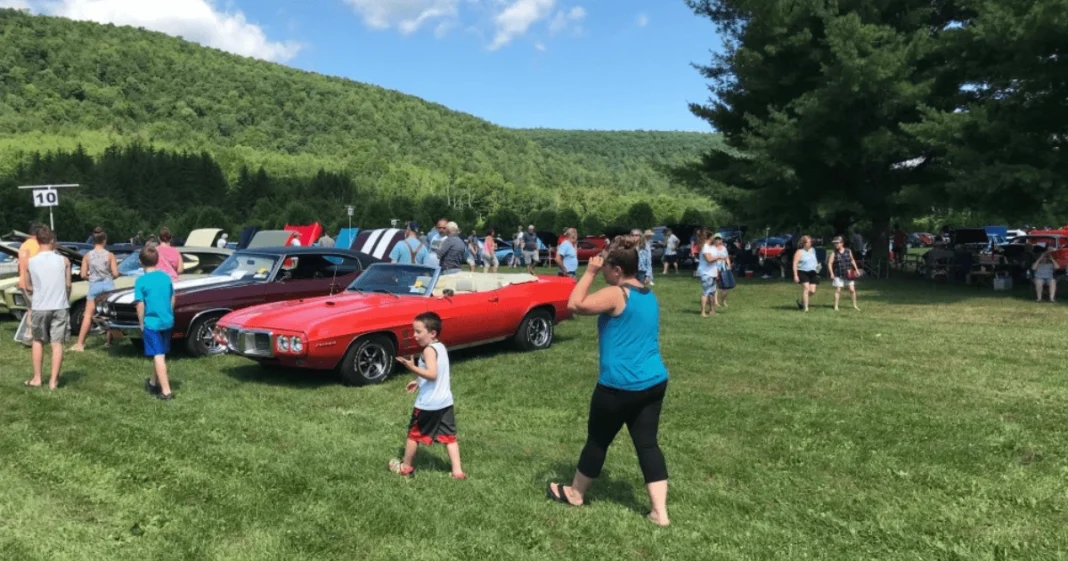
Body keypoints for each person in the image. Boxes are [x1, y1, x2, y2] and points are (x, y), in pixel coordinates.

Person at [547, 236, 670, 527]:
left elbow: (574, 304)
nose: (601, 269)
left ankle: (576, 494)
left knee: (598, 440)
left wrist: (587, 273)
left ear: (616, 270)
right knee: (648, 445)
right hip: (653, 382)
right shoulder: (647, 293)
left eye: (604, 266)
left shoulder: (618, 294)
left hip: (619, 386)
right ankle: (659, 512)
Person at [390, 312, 466, 479]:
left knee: (413, 435)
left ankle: (406, 467)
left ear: (432, 333)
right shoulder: (440, 347)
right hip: (445, 402)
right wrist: (418, 381)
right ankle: (457, 471)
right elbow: (435, 373)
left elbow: (432, 374)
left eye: (418, 331)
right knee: (449, 436)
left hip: (428, 404)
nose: (414, 335)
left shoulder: (428, 351)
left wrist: (412, 367)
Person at [24, 226, 71, 390]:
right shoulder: (64, 260)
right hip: (59, 305)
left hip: (40, 305)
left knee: (38, 340)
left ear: (37, 241)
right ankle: (53, 381)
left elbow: (27, 286)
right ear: (52, 241)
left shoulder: (31, 261)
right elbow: (68, 285)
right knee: (57, 343)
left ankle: (37, 378)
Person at [136, 246, 175, 400]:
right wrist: (169, 312)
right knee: (159, 352)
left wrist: (141, 323)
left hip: (152, 322)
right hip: (167, 320)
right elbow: (172, 298)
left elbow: (140, 305)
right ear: (158, 260)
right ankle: (153, 383)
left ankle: (166, 391)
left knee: (158, 355)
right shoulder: (166, 277)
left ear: (140, 262)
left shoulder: (141, 281)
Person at [71, 227, 119, 351]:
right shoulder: (110, 255)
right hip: (108, 285)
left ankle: (80, 343)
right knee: (110, 314)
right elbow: (116, 273)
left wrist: (90, 278)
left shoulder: (87, 256)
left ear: (93, 240)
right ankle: (109, 341)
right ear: (105, 240)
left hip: (94, 286)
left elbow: (82, 275)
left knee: (88, 315)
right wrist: (109, 276)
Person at [17, 223, 43, 345]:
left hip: (22, 280)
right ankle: (33, 336)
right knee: (35, 310)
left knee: (30, 309)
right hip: (31, 282)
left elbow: (20, 266)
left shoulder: (24, 245)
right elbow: (34, 266)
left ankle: (28, 335)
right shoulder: (36, 245)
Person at [828, 236, 862, 311]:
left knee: (852, 290)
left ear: (842, 243)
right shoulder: (834, 253)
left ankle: (855, 305)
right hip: (838, 274)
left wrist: (856, 269)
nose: (836, 244)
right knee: (838, 290)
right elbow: (830, 263)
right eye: (835, 243)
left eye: (837, 243)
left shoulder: (848, 251)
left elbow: (852, 260)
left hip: (848, 273)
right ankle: (836, 306)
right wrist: (831, 273)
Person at [792, 235, 820, 312]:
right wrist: (795, 275)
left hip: (813, 272)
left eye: (811, 242)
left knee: (812, 291)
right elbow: (795, 264)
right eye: (809, 242)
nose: (811, 243)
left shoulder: (813, 250)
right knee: (807, 289)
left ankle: (801, 302)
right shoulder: (799, 252)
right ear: (804, 243)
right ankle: (806, 308)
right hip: (802, 272)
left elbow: (815, 261)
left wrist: (818, 269)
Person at [697, 231, 720, 317]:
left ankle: (712, 311)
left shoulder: (713, 247)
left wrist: (717, 271)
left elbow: (714, 261)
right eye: (713, 236)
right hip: (706, 273)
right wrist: (719, 257)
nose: (714, 238)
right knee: (706, 292)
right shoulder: (705, 247)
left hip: (713, 272)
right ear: (709, 237)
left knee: (713, 292)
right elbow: (709, 260)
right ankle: (702, 312)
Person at [710, 233, 732, 308]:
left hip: (723, 268)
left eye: (719, 239)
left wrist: (729, 265)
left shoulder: (724, 248)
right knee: (715, 286)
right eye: (716, 239)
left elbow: (727, 258)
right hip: (715, 268)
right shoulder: (711, 248)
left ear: (721, 240)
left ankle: (724, 301)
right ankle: (716, 302)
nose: (717, 240)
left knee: (725, 286)